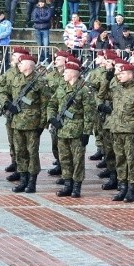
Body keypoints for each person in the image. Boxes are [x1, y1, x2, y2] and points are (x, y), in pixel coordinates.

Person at [100, 62, 134, 202]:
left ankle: (131, 190)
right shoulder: (117, 89)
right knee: (120, 160)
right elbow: (102, 94)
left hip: (131, 132)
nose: (119, 76)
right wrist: (107, 79)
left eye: (122, 74)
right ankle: (122, 188)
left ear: (130, 74)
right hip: (116, 130)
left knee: (131, 161)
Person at [46, 59, 94, 197]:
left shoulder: (84, 90)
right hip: (61, 129)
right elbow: (51, 104)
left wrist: (86, 132)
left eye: (66, 72)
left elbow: (89, 113)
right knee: (64, 158)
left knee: (77, 160)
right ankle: (67, 184)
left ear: (74, 74)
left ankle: (77, 186)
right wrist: (52, 118)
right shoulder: (62, 88)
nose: (64, 74)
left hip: (77, 130)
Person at [4, 53, 49, 193]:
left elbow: (45, 104)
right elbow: (5, 91)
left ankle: (32, 182)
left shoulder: (40, 81)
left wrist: (42, 125)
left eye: (21, 63)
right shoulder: (16, 78)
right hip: (17, 121)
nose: (19, 65)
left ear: (29, 65)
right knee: (20, 151)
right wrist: (7, 103)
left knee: (32, 153)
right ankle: (23, 180)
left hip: (32, 122)